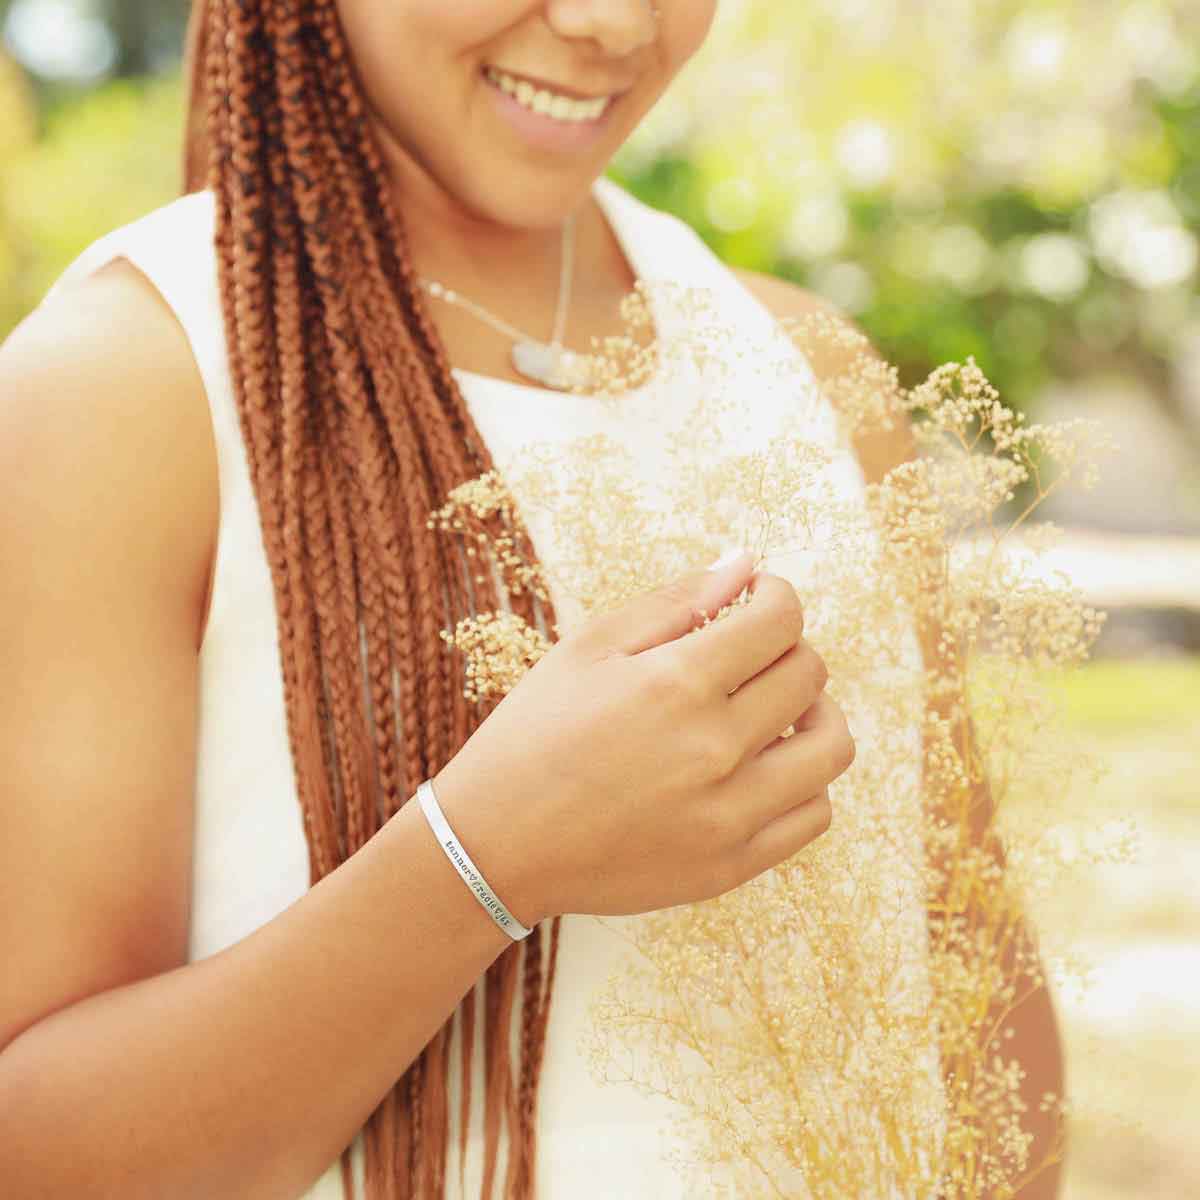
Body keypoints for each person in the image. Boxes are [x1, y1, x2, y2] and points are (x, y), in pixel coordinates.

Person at [0, 2, 1064, 1198]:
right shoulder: (126, 387)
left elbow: (978, 1023)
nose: (608, 22)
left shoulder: (808, 375)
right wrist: (486, 857)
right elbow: (37, 1153)